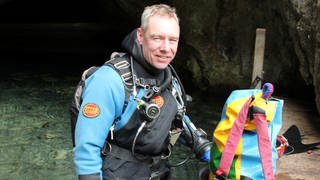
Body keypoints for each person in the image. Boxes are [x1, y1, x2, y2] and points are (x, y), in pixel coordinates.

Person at [73, 4, 211, 180]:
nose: (166, 48)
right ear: (140, 36)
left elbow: (177, 116)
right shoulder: (110, 80)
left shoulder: (168, 78)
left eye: (172, 40)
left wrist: (204, 147)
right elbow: (87, 149)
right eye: (157, 38)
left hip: (158, 172)